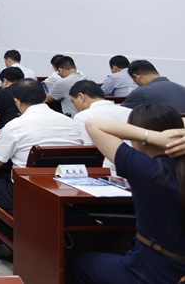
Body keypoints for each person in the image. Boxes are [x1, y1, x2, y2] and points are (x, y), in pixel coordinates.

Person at [69, 104, 185, 284]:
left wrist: (153, 136)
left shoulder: (146, 170)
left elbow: (93, 124)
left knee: (79, 263)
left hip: (153, 270)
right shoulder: (166, 170)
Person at [0, 79, 83, 212]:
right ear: (45, 96)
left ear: (17, 101)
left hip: (26, 192)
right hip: (66, 190)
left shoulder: (15, 126)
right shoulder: (70, 122)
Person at [69, 80, 132, 146]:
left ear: (81, 97)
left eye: (73, 101)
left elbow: (87, 147)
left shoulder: (81, 117)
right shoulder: (130, 112)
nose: (74, 105)